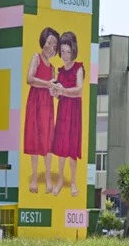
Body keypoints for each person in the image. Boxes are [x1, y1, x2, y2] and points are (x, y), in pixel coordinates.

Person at [23, 27, 61, 194]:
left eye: (55, 46)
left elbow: (51, 90)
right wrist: (48, 84)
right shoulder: (36, 58)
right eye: (49, 43)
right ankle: (34, 178)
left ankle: (47, 178)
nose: (51, 48)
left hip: (47, 105)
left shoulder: (52, 68)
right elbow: (29, 79)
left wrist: (57, 91)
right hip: (35, 102)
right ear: (43, 42)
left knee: (48, 139)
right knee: (35, 137)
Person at [50, 31, 84, 197]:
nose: (64, 55)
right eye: (62, 51)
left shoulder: (79, 68)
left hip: (74, 112)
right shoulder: (60, 71)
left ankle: (73, 182)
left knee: (72, 148)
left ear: (74, 51)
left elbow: (79, 90)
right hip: (63, 111)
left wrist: (63, 90)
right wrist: (54, 92)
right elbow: (59, 94)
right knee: (62, 148)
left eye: (68, 52)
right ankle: (60, 181)